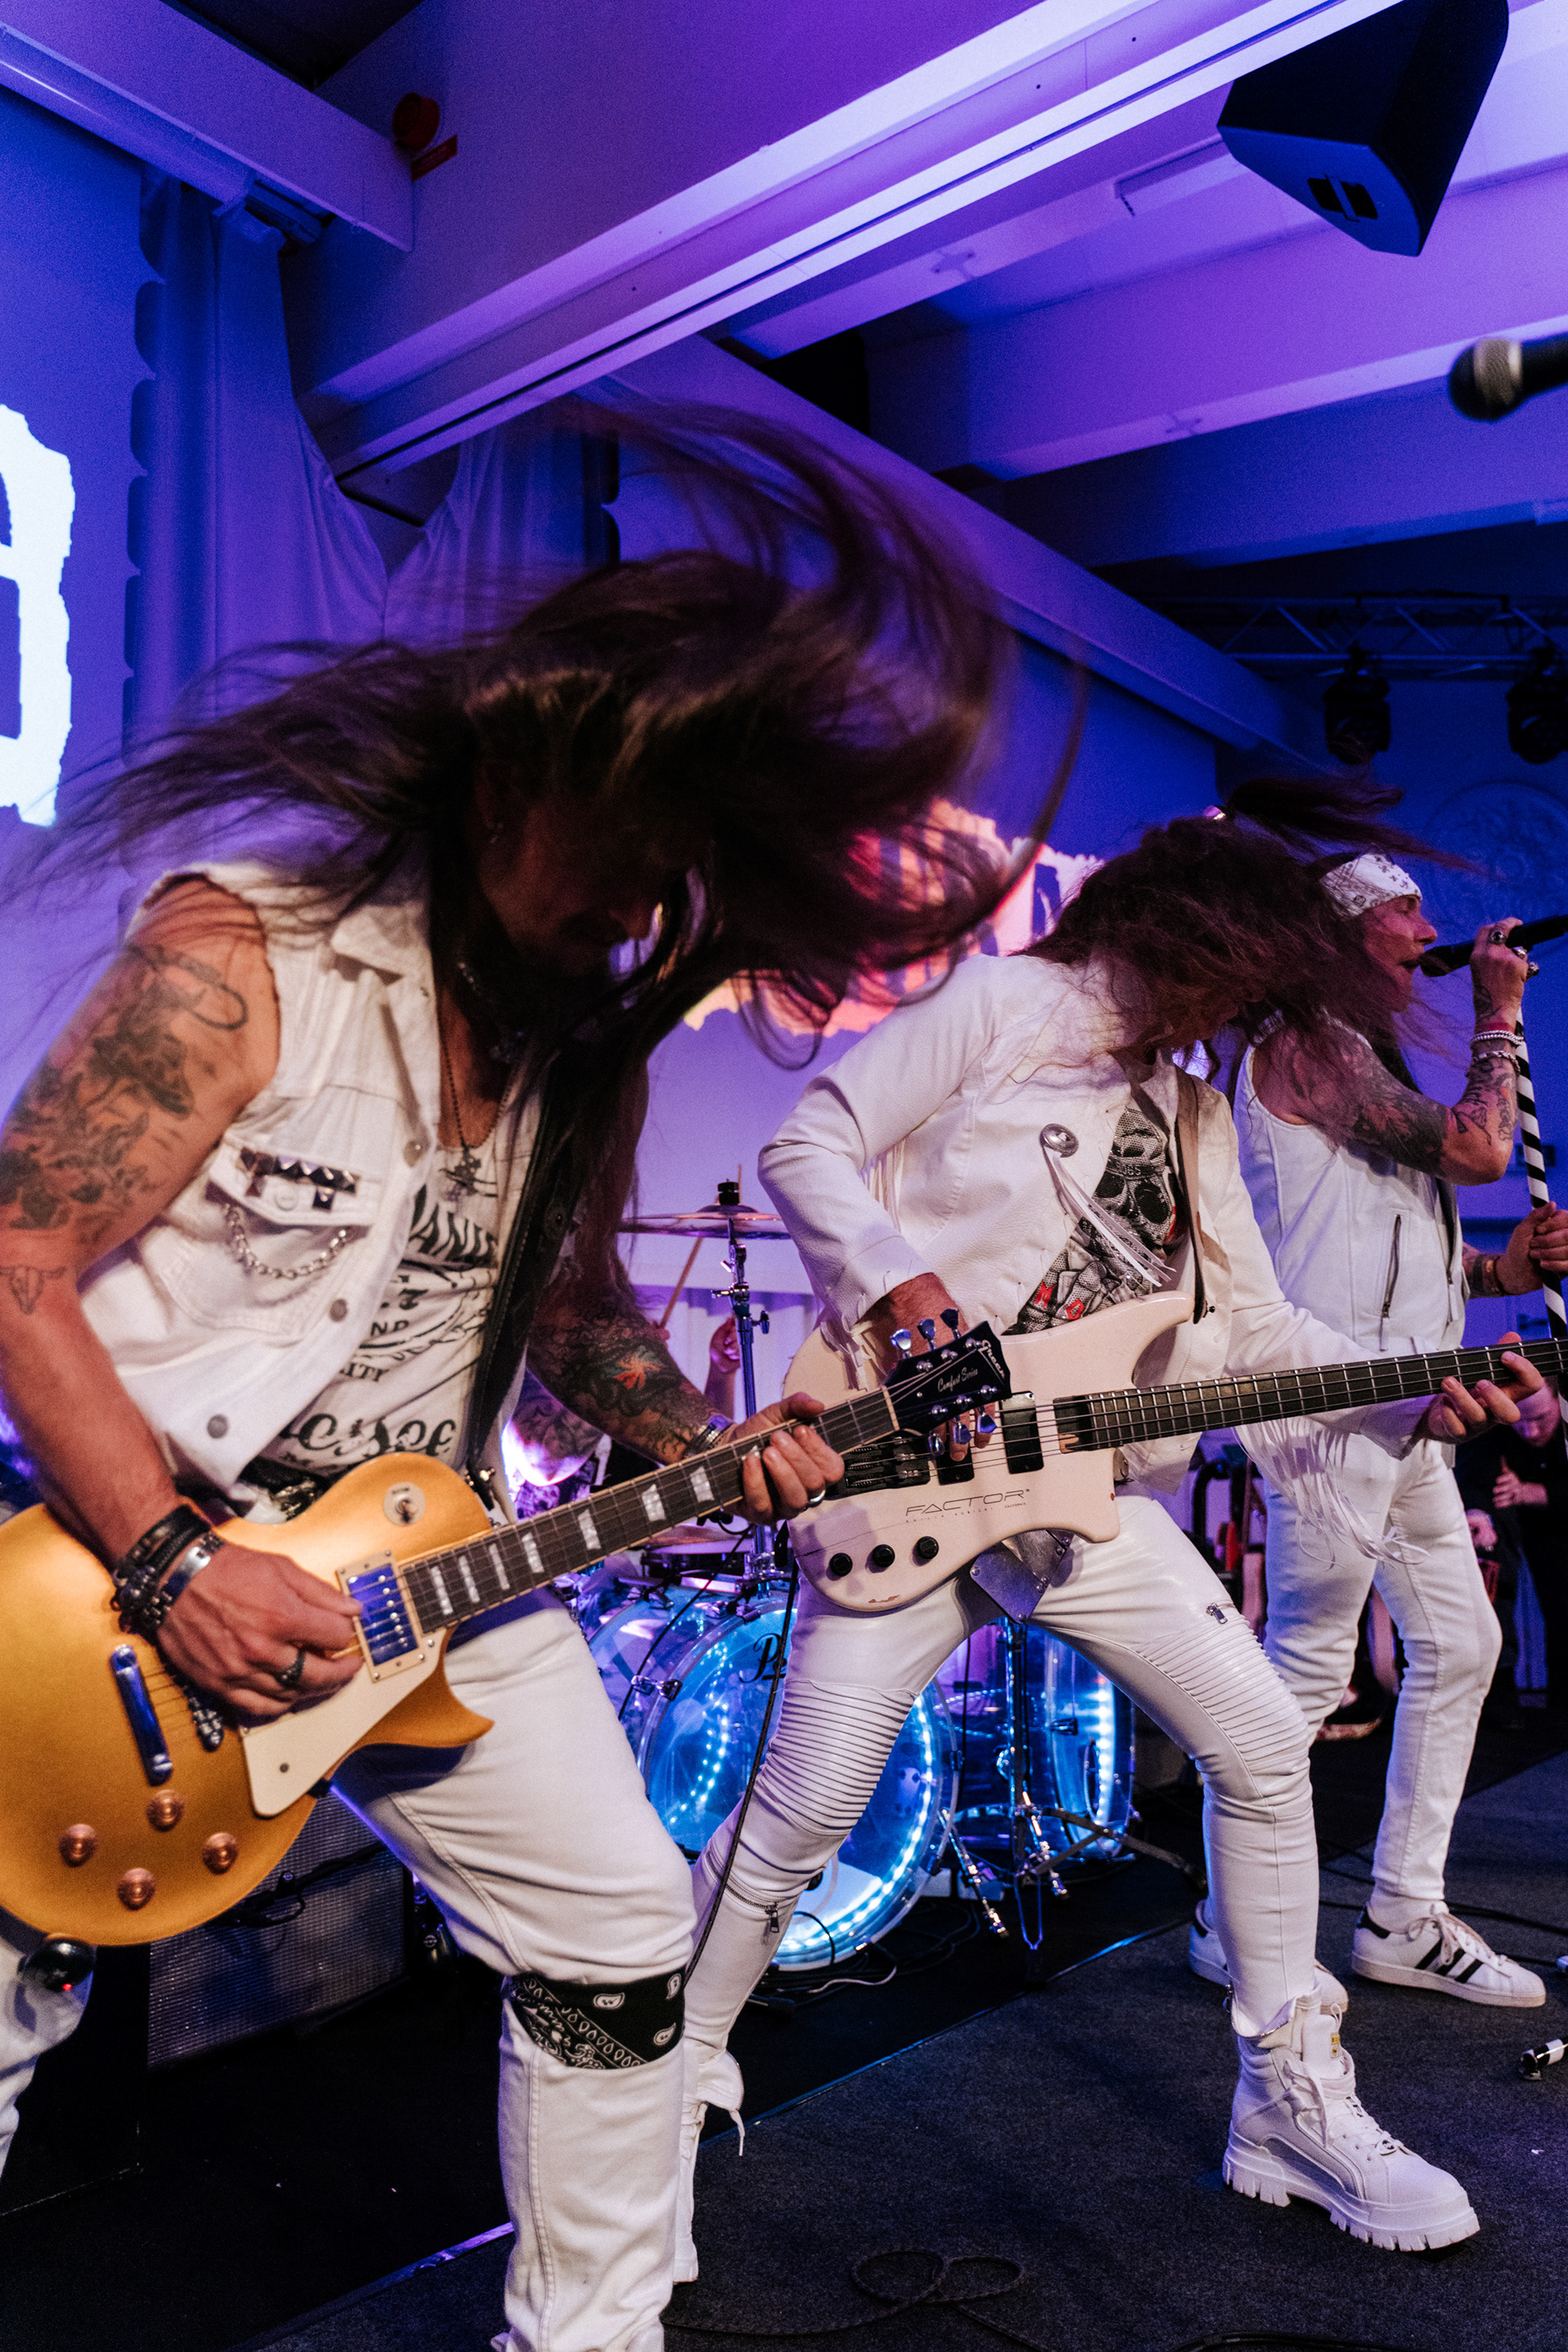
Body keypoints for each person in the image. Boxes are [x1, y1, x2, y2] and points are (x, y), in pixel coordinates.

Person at [0, 412, 1031, 2352]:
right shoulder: (248, 959)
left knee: (622, 1935)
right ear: (498, 789)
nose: (634, 918)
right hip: (111, 1572)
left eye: (667, 884)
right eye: (610, 871)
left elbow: (561, 1306)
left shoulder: (581, 1041)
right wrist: (170, 1561)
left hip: (428, 1576)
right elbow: (15, 1262)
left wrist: (703, 1439)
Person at [677, 811, 1542, 2270]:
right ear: (1196, 935)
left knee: (1263, 1748)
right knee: (800, 1819)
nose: (1249, 1008)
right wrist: (904, 1292)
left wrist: (1416, 1386)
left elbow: (1253, 1334)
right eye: (1247, 972)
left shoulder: (1193, 1108)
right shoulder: (1006, 1006)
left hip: (1085, 1495)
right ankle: (665, 2075)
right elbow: (808, 1138)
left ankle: (1289, 2098)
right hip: (912, 1479)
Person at [1222, 777, 1568, 2013]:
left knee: (1463, 1643)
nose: (1429, 934)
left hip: (1409, 1403)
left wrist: (1500, 1272)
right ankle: (1230, 1924)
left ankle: (1402, 1915)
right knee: (1307, 1674)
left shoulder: (1357, 1057)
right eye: (1404, 918)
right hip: (1331, 1401)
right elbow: (1479, 1148)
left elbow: (1392, 1244)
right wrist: (1499, 1014)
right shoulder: (1305, 1044)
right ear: (1340, 938)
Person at [1458, 1377, 1568, 1718]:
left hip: (1559, 1520)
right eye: (1520, 1421)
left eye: (1541, 1419)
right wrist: (1478, 1513)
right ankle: (1499, 1690)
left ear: (1560, 1403)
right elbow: (1473, 1472)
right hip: (1504, 1519)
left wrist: (1538, 1493)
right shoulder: (1494, 1419)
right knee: (1492, 1571)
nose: (1530, 1431)